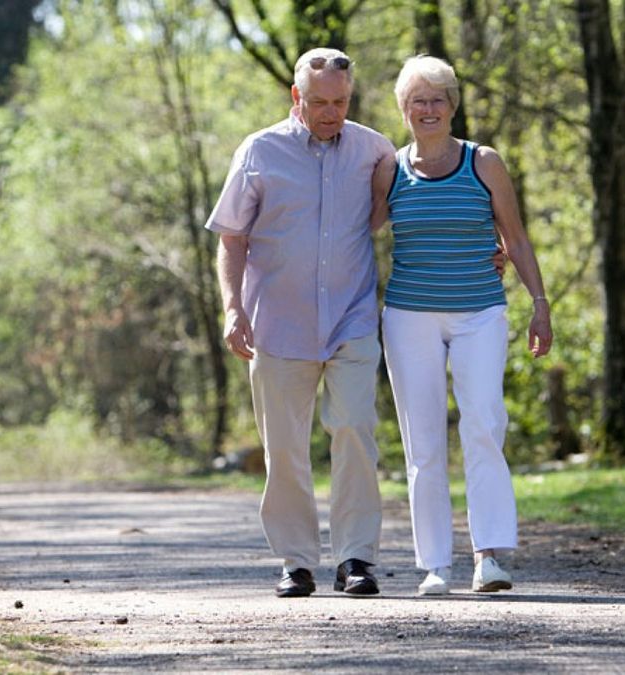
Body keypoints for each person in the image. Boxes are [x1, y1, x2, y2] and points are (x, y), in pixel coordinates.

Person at [205, 48, 394, 597]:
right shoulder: (259, 151)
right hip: (278, 325)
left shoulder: (373, 149)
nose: (331, 112)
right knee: (284, 446)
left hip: (351, 318)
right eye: (319, 102)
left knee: (356, 431)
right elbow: (232, 238)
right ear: (296, 98)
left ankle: (357, 558)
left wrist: (490, 249)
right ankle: (296, 561)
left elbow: (407, 209)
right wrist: (233, 308)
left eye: (340, 101)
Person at [373, 55, 553, 595]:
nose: (428, 109)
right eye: (417, 101)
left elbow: (516, 238)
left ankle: (489, 557)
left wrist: (540, 303)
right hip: (408, 317)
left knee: (483, 424)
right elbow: (356, 233)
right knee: (423, 443)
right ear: (404, 110)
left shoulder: (484, 162)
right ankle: (434, 565)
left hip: (480, 312)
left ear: (453, 106)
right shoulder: (390, 168)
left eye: (437, 99)